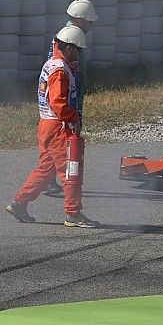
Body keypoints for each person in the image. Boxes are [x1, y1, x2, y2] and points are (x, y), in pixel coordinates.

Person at [5, 26, 99, 228]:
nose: (79, 54)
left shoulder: (53, 63)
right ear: (68, 48)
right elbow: (58, 102)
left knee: (46, 170)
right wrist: (73, 117)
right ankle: (73, 214)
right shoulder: (60, 71)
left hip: (46, 125)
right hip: (58, 127)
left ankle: (19, 203)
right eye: (77, 50)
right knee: (70, 170)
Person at [44, 0, 98, 197]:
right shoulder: (68, 39)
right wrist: (72, 109)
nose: (91, 25)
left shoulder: (70, 36)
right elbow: (62, 70)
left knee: (62, 142)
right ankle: (64, 184)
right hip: (65, 97)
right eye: (89, 21)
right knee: (64, 142)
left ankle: (54, 180)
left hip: (71, 94)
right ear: (81, 20)